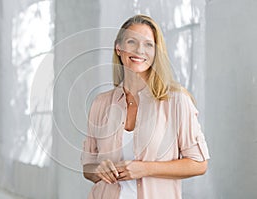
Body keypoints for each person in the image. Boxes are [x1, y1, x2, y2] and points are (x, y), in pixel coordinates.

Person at [81, 14, 210, 199]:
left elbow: (200, 163)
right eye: (132, 42)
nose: (140, 50)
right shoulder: (101, 103)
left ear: (156, 51)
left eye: (149, 44)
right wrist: (99, 170)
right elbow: (88, 167)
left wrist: (146, 169)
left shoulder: (177, 101)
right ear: (119, 48)